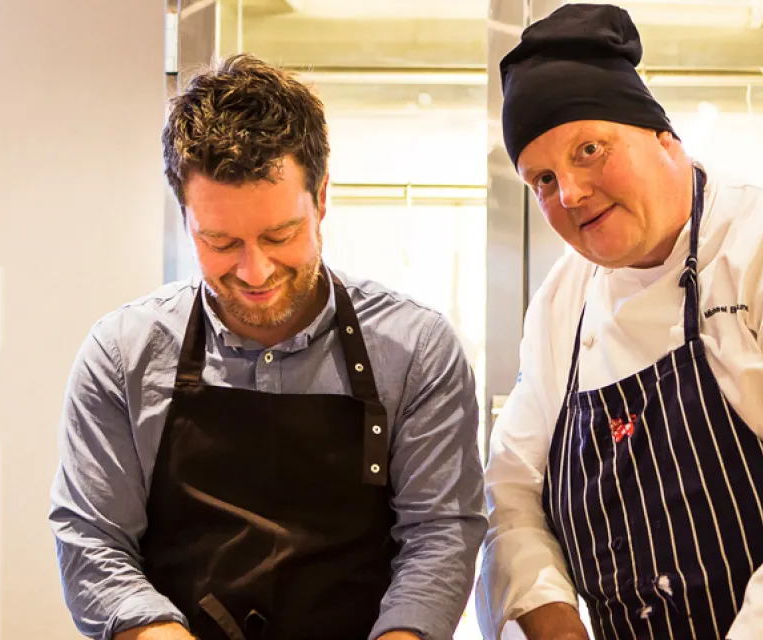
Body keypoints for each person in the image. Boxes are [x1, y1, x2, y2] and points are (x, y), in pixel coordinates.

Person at [475, 4, 763, 640]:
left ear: (664, 138)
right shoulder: (563, 303)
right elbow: (512, 493)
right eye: (543, 179)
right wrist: (552, 624)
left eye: (589, 150)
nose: (571, 194)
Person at [49, 54, 486, 640]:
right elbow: (93, 541)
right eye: (220, 242)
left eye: (280, 236)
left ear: (322, 197)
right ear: (184, 217)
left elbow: (440, 536)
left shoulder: (415, 349)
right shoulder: (122, 355)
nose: (254, 272)